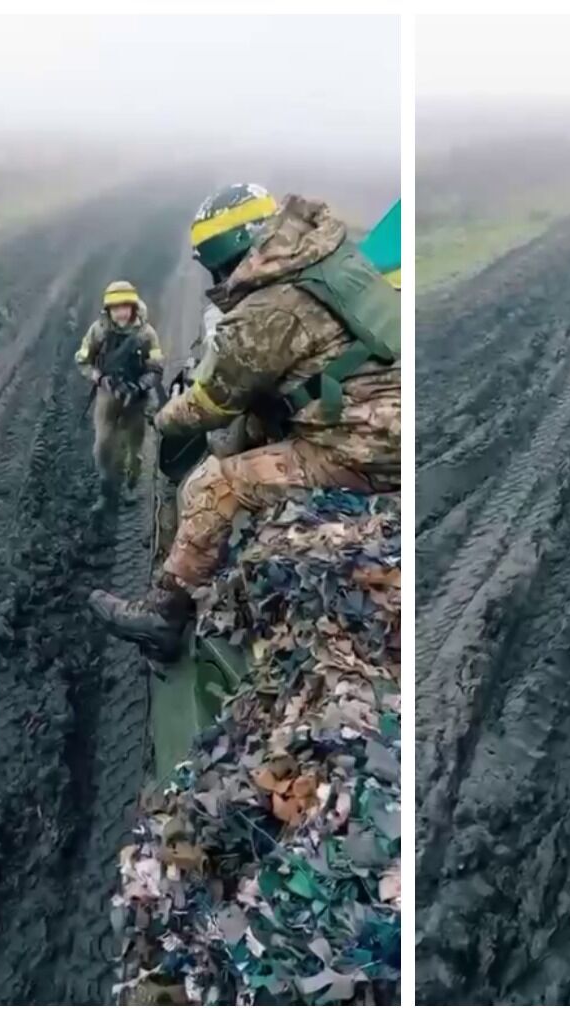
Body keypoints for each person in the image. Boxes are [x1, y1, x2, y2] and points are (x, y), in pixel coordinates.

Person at [89, 184, 401, 658]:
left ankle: (164, 613)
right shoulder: (329, 261)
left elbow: (212, 404)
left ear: (222, 256)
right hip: (385, 420)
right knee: (252, 430)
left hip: (365, 448)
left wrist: (164, 418)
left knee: (213, 485)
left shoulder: (268, 307)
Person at [75, 280, 164, 513]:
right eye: (116, 308)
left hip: (136, 398)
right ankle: (106, 490)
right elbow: (82, 360)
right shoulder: (98, 330)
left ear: (133, 307)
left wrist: (142, 385)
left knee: (134, 449)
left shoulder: (146, 334)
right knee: (102, 446)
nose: (121, 312)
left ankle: (131, 486)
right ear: (108, 310)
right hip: (108, 395)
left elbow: (156, 366)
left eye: (125, 306)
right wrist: (99, 378)